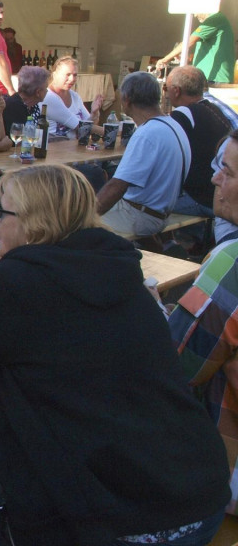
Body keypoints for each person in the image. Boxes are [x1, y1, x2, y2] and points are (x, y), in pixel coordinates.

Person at [0, 163, 229, 545]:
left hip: (116, 524)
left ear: (32, 222)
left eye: (2, 213)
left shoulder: (18, 282)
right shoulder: (124, 269)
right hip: (200, 496)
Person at [169, 129, 238, 517]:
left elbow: (177, 365)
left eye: (226, 170)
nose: (214, 179)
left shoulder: (232, 263)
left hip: (224, 481)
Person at [97, 71, 191, 238]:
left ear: (126, 100)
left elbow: (117, 187)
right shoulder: (172, 125)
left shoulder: (148, 133)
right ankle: (162, 247)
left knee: (72, 227)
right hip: (160, 212)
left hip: (140, 216)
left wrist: (84, 216)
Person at [166, 65, 233, 218]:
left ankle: (180, 239)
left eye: (166, 88)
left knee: (144, 202)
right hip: (219, 196)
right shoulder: (215, 109)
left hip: (200, 199)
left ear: (176, 90)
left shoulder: (182, 114)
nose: (166, 93)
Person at [157, 11, 235, 85]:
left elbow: (189, 41)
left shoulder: (215, 18)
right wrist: (189, 58)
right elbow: (212, 50)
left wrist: (165, 59)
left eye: (196, 11)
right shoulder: (217, 20)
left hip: (214, 79)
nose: (195, 15)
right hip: (210, 78)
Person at [42, 56, 104, 138]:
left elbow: (89, 125)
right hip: (55, 147)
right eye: (68, 74)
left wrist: (94, 113)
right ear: (54, 74)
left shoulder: (75, 96)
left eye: (75, 75)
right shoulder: (48, 97)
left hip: (74, 147)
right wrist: (112, 131)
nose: (72, 79)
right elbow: (80, 126)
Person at [1, 65, 48, 133]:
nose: (47, 91)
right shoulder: (14, 106)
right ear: (38, 92)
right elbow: (16, 137)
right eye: (46, 88)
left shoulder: (33, 105)